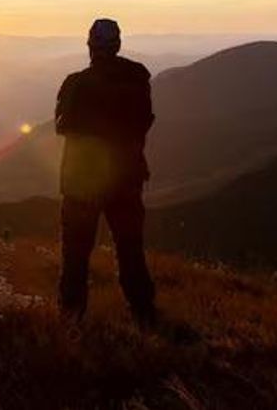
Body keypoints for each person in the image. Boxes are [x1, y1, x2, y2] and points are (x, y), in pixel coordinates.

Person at [54, 18, 157, 326]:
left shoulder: (76, 83)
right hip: (126, 177)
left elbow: (62, 126)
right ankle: (143, 312)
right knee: (130, 248)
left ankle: (71, 317)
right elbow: (145, 120)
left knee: (76, 254)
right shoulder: (138, 78)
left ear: (90, 46)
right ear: (118, 44)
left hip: (81, 182)